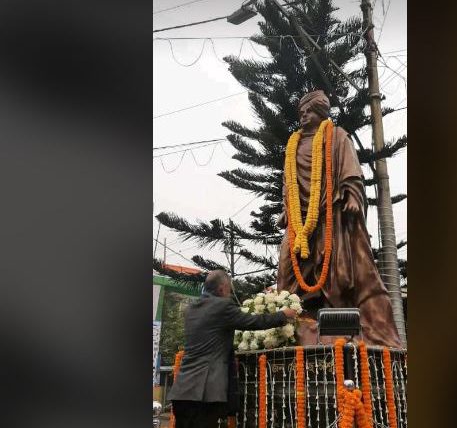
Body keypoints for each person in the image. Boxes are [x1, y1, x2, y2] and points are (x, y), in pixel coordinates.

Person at [276, 90, 402, 348]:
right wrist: (287, 210)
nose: (303, 116)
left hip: (329, 216)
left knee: (337, 272)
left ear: (321, 112)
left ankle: (340, 328)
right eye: (300, 112)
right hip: (299, 225)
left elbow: (351, 171)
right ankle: (287, 321)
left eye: (308, 111)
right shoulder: (293, 145)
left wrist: (353, 195)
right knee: (286, 268)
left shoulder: (337, 137)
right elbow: (288, 183)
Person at [167, 269, 298, 428]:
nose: (230, 293)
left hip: (182, 391)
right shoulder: (221, 306)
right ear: (222, 288)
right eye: (230, 289)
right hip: (205, 393)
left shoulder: (190, 310)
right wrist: (283, 315)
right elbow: (253, 322)